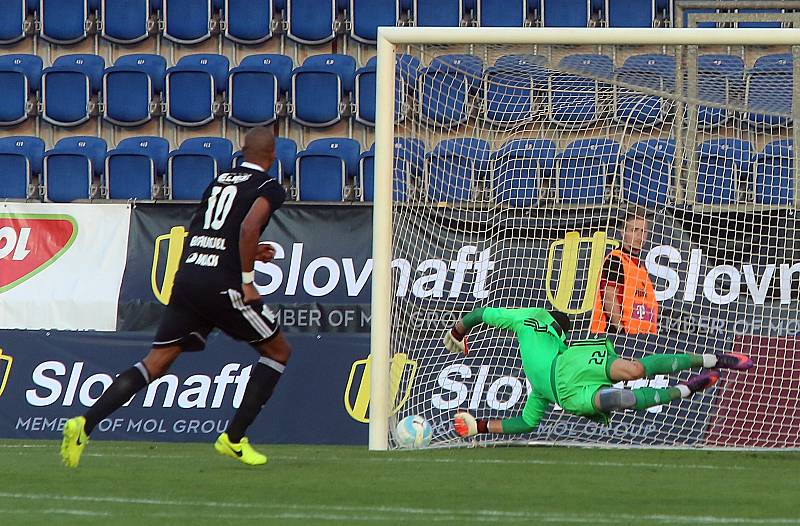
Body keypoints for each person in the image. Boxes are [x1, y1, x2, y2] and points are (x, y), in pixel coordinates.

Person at [61, 127, 289, 468]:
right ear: (272, 156)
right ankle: (234, 438)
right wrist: (247, 280)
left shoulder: (220, 181)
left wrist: (250, 252)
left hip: (189, 276)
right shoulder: (269, 186)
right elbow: (246, 227)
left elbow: (212, 231)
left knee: (156, 362)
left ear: (242, 152)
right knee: (278, 351)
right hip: (222, 284)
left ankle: (84, 424)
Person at [443, 307, 753, 437]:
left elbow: (481, 314)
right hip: (569, 392)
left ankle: (712, 359)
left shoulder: (539, 330)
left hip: (571, 363)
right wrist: (479, 426)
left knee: (633, 370)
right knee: (621, 399)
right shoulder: (537, 384)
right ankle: (685, 389)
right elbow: (524, 423)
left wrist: (459, 330)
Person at [591, 212, 658, 335]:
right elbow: (609, 295)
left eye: (644, 231)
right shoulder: (616, 260)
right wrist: (620, 329)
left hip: (641, 337)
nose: (640, 236)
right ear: (623, 232)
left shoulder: (639, 267)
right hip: (619, 337)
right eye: (634, 230)